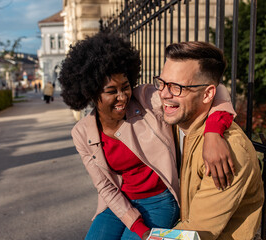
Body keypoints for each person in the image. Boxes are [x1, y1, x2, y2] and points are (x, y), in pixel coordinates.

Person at [58, 33, 235, 240]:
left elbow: (216, 90)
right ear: (90, 93)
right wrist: (139, 228)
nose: (123, 97)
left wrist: (213, 132)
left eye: (125, 87)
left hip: (159, 201)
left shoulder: (146, 99)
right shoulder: (82, 132)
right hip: (119, 203)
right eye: (111, 91)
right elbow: (105, 186)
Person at [154, 41, 264, 239]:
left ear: (207, 94)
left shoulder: (228, 152)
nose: (163, 94)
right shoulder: (187, 123)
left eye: (176, 87)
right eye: (162, 83)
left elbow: (194, 232)